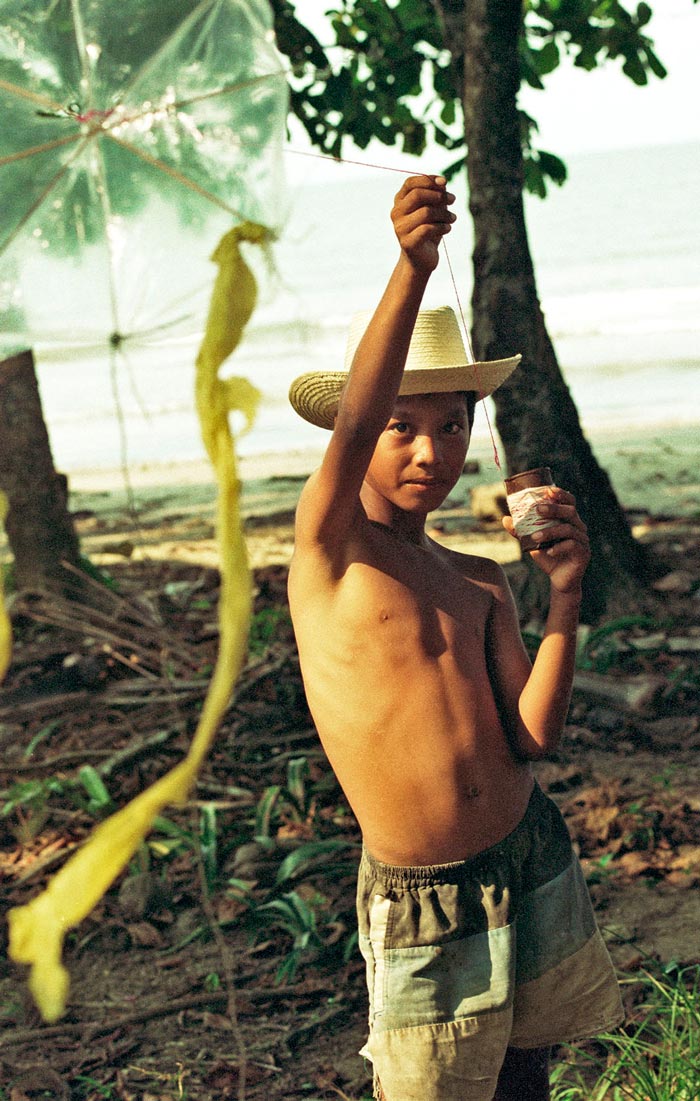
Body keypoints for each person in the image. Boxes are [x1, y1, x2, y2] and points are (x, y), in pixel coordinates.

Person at [287, 175, 623, 1101]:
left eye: (450, 425)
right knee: (433, 1088)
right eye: (402, 426)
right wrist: (413, 263)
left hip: (527, 849)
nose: (429, 452)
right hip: (422, 894)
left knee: (525, 1075)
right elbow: (356, 414)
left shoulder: (477, 580)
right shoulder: (330, 555)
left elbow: (534, 735)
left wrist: (562, 593)